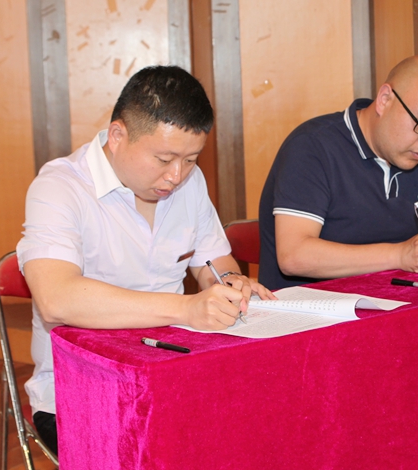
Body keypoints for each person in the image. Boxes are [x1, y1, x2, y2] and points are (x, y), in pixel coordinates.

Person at [17, 65, 274, 455]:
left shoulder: (189, 183)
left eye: (191, 159)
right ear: (118, 135)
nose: (176, 176)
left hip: (174, 369)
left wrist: (229, 284)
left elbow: (215, 264)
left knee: (265, 424)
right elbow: (57, 299)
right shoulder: (60, 188)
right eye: (164, 158)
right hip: (83, 387)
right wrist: (187, 308)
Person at [258, 55, 418, 290]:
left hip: (395, 300)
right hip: (312, 309)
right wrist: (399, 255)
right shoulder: (312, 146)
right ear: (385, 99)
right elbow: (294, 256)